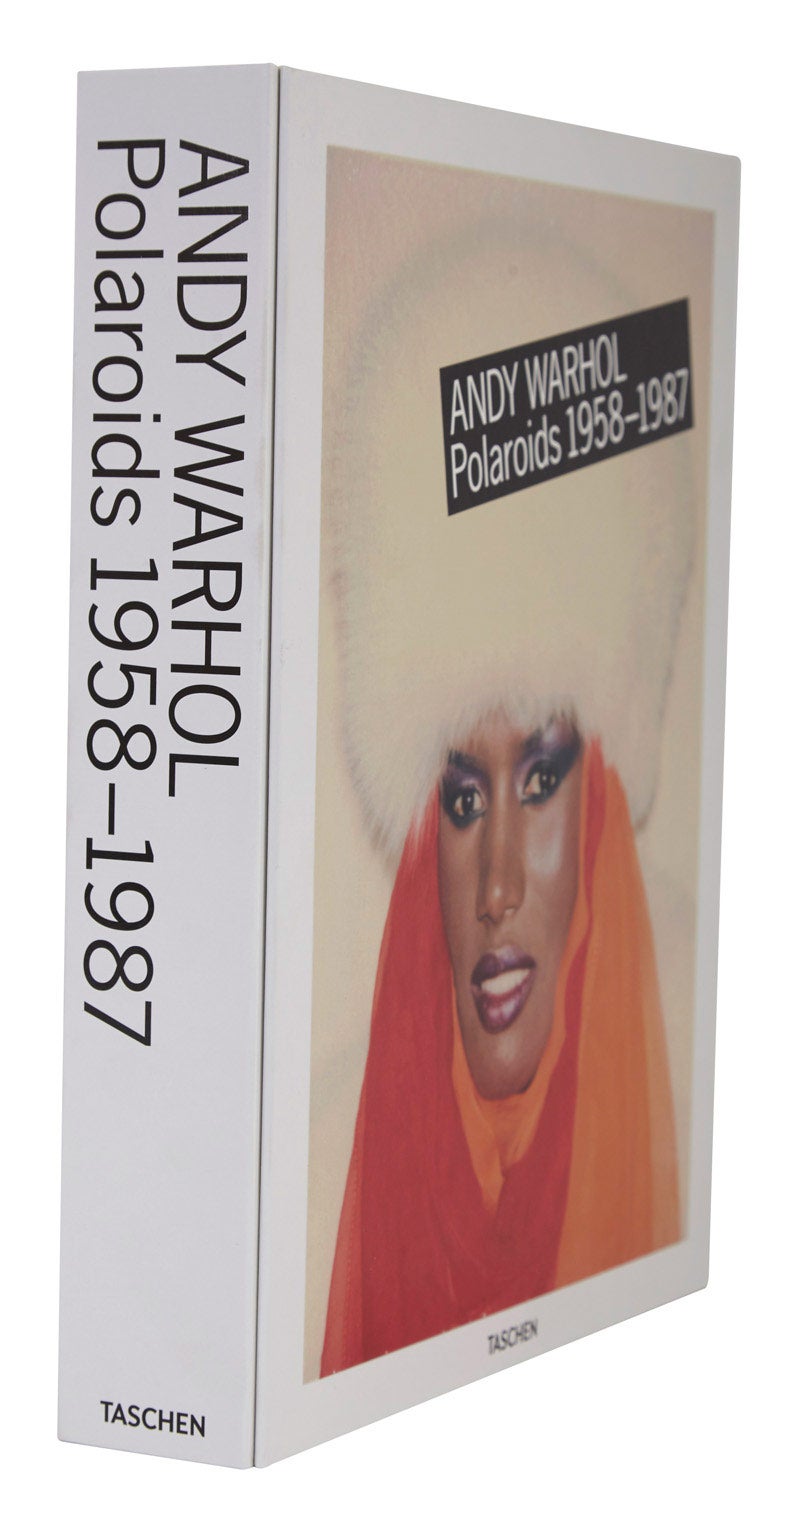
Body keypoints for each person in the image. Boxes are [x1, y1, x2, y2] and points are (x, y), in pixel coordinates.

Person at [316, 168, 708, 1375]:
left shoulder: (715, 1109)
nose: (492, 886)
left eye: (539, 779)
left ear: (603, 796)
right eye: (461, 797)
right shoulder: (322, 1168)